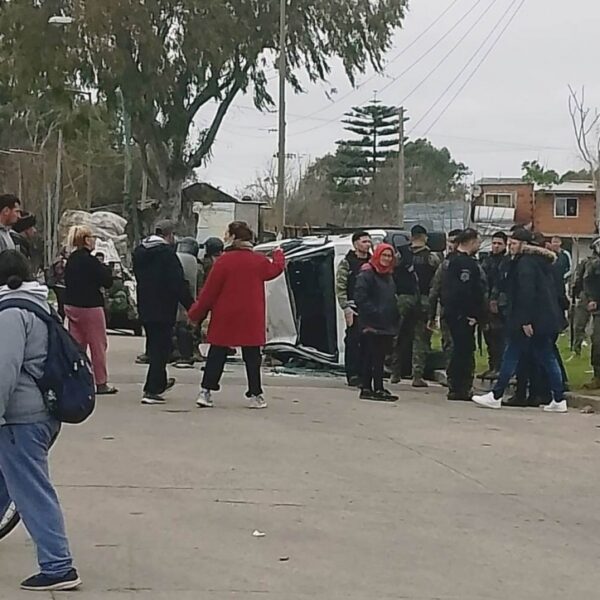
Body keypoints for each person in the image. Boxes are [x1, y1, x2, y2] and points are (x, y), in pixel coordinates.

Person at [0, 250, 81, 592]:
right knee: (6, 480)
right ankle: (56, 561)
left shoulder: (10, 314)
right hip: (40, 412)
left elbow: (3, 369)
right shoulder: (38, 305)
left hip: (20, 416)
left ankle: (58, 564)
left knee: (30, 489)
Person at [189, 221, 285, 409]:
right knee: (252, 356)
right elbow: (275, 270)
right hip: (251, 314)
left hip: (225, 314)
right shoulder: (258, 261)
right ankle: (255, 394)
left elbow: (209, 292)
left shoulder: (223, 261)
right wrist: (279, 254)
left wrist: (195, 313)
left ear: (234, 237)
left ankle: (206, 391)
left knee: (217, 353)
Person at [473, 229, 568, 413]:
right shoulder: (540, 262)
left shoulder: (525, 264)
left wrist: (525, 320)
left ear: (524, 245)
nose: (510, 247)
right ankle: (558, 398)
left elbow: (527, 293)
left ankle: (496, 395)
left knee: (511, 354)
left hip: (529, 320)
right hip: (543, 319)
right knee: (546, 357)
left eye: (514, 244)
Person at [133, 220, 194, 405]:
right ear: (169, 235)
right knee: (162, 348)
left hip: (145, 305)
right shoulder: (167, 254)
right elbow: (177, 282)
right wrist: (192, 306)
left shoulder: (139, 252)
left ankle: (159, 381)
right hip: (164, 307)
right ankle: (151, 389)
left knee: (155, 345)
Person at [64, 226, 117, 396]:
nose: (94, 240)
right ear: (86, 240)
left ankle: (75, 380)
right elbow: (107, 281)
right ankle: (100, 382)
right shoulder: (91, 261)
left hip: (72, 306)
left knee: (77, 346)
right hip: (90, 306)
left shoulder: (71, 260)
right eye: (92, 237)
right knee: (98, 345)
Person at [391, 225, 440, 387]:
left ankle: (395, 372)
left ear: (411, 237)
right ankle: (417, 376)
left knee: (398, 335)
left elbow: (392, 273)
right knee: (421, 338)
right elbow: (436, 281)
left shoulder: (400, 254)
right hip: (424, 299)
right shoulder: (431, 257)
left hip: (403, 298)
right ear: (425, 237)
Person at [441, 228, 486, 401]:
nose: (479, 245)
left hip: (456, 314)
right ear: (471, 242)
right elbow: (464, 292)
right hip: (462, 316)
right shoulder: (464, 264)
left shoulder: (452, 261)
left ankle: (457, 386)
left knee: (460, 350)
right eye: (478, 242)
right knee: (463, 351)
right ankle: (460, 387)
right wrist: (471, 314)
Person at [354, 243, 399, 402]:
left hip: (386, 323)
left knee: (380, 357)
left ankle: (378, 387)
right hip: (371, 323)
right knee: (370, 356)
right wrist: (375, 313)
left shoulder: (388, 275)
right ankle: (367, 387)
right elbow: (361, 297)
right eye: (384, 255)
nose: (386, 259)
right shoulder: (367, 273)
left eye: (389, 256)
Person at [335, 230, 372, 387]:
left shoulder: (372, 263)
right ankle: (353, 374)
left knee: (368, 341)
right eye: (364, 242)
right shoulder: (347, 262)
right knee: (352, 340)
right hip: (353, 308)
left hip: (369, 309)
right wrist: (345, 307)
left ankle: (366, 374)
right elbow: (340, 286)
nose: (368, 244)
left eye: (369, 241)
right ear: (356, 244)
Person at [428, 229, 462, 364]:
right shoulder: (444, 264)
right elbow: (435, 289)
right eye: (450, 241)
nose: (451, 245)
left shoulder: (470, 263)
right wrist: (431, 315)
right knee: (448, 343)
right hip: (447, 310)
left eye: (455, 242)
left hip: (464, 312)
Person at [480, 231, 508, 377]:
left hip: (499, 303)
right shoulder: (487, 260)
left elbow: (500, 282)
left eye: (499, 244)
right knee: (488, 336)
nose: (496, 246)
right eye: (494, 243)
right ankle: (492, 366)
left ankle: (499, 367)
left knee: (499, 337)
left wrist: (494, 299)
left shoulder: (506, 261)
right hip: (485, 302)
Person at [174, 237, 202, 369]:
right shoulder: (195, 263)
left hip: (174, 296)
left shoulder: (174, 257)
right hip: (190, 297)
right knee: (187, 326)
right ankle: (187, 353)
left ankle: (177, 352)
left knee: (177, 326)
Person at [582, 237, 600, 389]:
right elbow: (587, 282)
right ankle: (598, 376)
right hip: (598, 307)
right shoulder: (594, 264)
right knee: (598, 341)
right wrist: (592, 299)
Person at [571, 257, 591, 356]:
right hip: (586, 295)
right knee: (579, 323)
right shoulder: (586, 262)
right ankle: (576, 349)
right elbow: (578, 278)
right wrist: (575, 293)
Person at [46, 248, 69, 320]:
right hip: (59, 285)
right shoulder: (60, 262)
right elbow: (59, 272)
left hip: (57, 284)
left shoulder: (58, 260)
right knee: (61, 305)